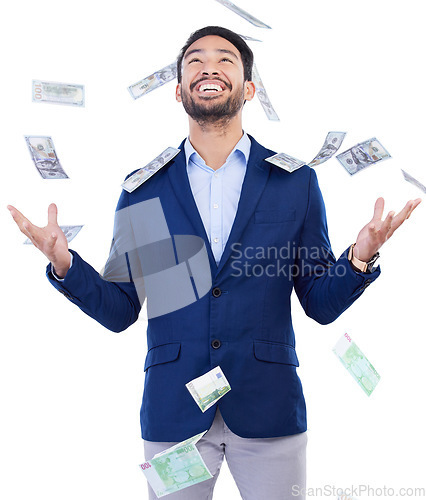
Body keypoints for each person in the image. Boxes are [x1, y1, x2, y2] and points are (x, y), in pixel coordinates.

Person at [7, 26, 422, 500]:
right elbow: (120, 310)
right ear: (179, 90)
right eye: (195, 61)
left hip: (269, 411)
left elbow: (319, 305)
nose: (209, 67)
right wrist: (65, 265)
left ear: (248, 88)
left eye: (226, 59)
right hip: (173, 414)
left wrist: (359, 258)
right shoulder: (144, 189)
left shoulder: (295, 182)